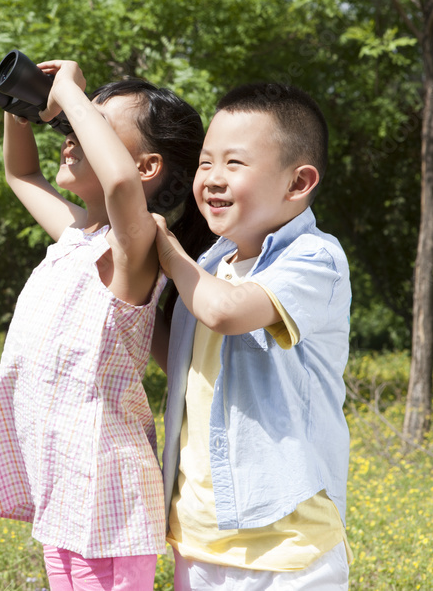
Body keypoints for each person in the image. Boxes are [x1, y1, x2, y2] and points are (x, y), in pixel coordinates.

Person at [0, 59, 210, 590]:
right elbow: (20, 174)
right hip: (66, 489)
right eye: (71, 128)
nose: (71, 138)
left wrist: (71, 94)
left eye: (90, 128)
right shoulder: (76, 236)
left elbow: (120, 183)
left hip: (107, 495)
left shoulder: (136, 247)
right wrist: (19, 104)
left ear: (148, 167)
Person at [151, 82, 353, 590]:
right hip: (197, 542)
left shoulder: (314, 258)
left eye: (234, 164)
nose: (213, 179)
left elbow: (225, 313)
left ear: (298, 182)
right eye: (204, 164)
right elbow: (185, 359)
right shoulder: (211, 265)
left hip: (289, 550)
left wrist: (166, 252)